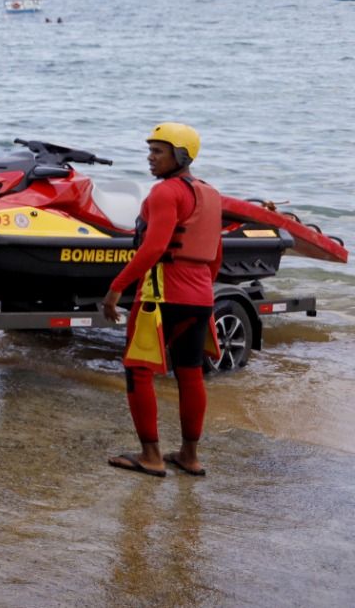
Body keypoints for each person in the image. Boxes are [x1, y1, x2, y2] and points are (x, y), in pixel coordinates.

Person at [101, 123, 222, 478]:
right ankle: (189, 455)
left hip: (160, 296)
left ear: (179, 155)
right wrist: (202, 286)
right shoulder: (212, 194)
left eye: (158, 151)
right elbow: (216, 252)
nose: (150, 158)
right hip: (199, 297)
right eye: (150, 150)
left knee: (138, 370)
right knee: (189, 373)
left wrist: (116, 287)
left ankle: (151, 456)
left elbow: (153, 248)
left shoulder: (165, 193)